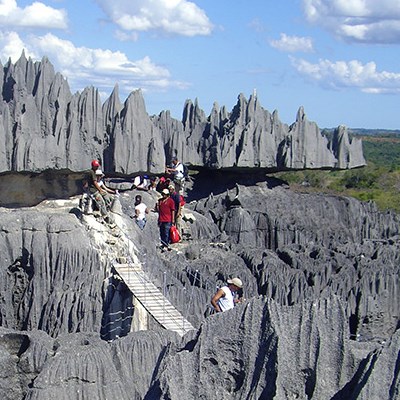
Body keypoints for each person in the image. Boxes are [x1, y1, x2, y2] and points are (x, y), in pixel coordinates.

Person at [88, 160, 115, 226]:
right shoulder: (92, 173)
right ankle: (105, 217)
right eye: (96, 166)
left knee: (105, 198)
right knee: (101, 202)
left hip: (94, 190)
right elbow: (95, 182)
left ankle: (106, 212)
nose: (97, 167)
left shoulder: (91, 172)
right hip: (93, 191)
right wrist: (100, 190)